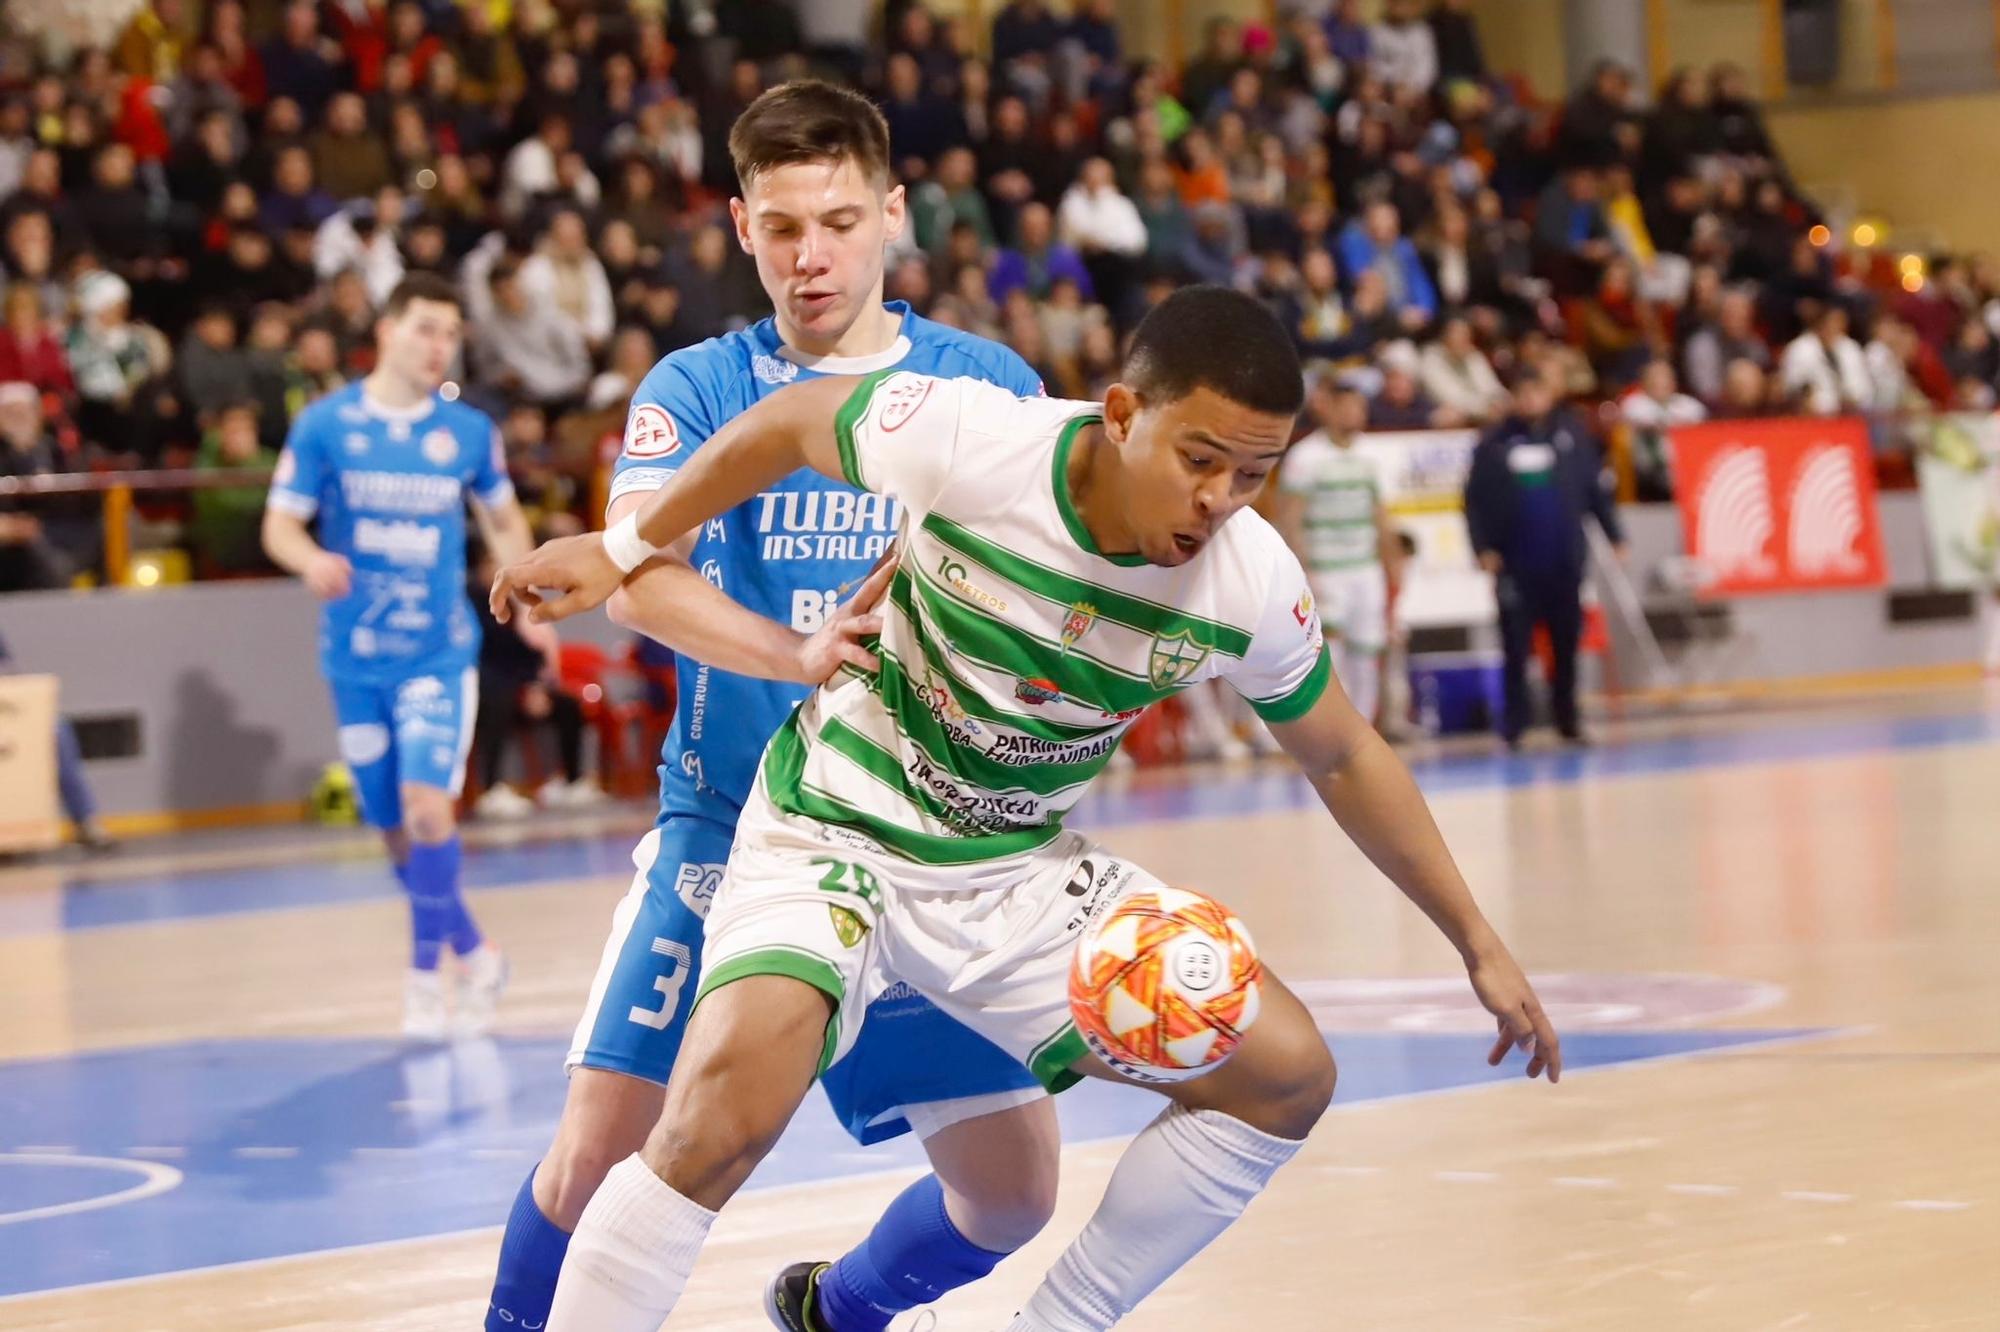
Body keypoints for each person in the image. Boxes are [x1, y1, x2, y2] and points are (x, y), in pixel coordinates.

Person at [491, 285, 1560, 1332]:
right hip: (835, 825)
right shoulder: (978, 439)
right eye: (1199, 460)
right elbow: (790, 422)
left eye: (1252, 474)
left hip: (1005, 871)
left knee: (1286, 1078)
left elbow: (1342, 753)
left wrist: (1476, 941)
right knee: (722, 1118)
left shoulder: (1247, 582)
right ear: (1122, 414)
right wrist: (625, 547)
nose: (1219, 500)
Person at [480, 81, 1065, 1332]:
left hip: (914, 847)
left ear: (894, 215)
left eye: (841, 222)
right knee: (595, 1161)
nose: (813, 257)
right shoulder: (694, 385)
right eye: (784, 227)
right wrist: (794, 651)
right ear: (740, 225)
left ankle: (836, 1310)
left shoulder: (985, 382)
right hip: (730, 825)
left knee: (1013, 1197)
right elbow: (634, 583)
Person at [260, 273, 532, 1039]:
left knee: (426, 807)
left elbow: (505, 522)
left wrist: (533, 591)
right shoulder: (324, 426)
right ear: (384, 331)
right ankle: (476, 953)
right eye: (424, 327)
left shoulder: (470, 433)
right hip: (355, 658)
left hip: (438, 654)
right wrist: (308, 559)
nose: (437, 344)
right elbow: (279, 527)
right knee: (391, 827)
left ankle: (424, 979)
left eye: (449, 332)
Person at [1463, 374, 1626, 749]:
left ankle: (1568, 720)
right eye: (1524, 392)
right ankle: (1514, 727)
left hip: (1564, 562)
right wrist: (1483, 547)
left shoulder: (1572, 438)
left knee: (1567, 646)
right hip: (1516, 565)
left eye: (1538, 391)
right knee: (1516, 648)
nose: (1532, 399)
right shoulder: (1494, 443)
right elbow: (1474, 501)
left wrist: (1614, 533)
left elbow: (1593, 490)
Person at [1273, 379, 1401, 726]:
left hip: (1365, 569)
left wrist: (1393, 573)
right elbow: (1290, 517)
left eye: (1358, 406)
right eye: (1345, 406)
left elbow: (1383, 519)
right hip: (1325, 569)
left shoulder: (1373, 455)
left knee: (1367, 649)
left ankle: (1362, 727)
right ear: (1327, 409)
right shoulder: (1306, 457)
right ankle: (1333, 728)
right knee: (1332, 650)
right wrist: (1303, 569)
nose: (1353, 413)